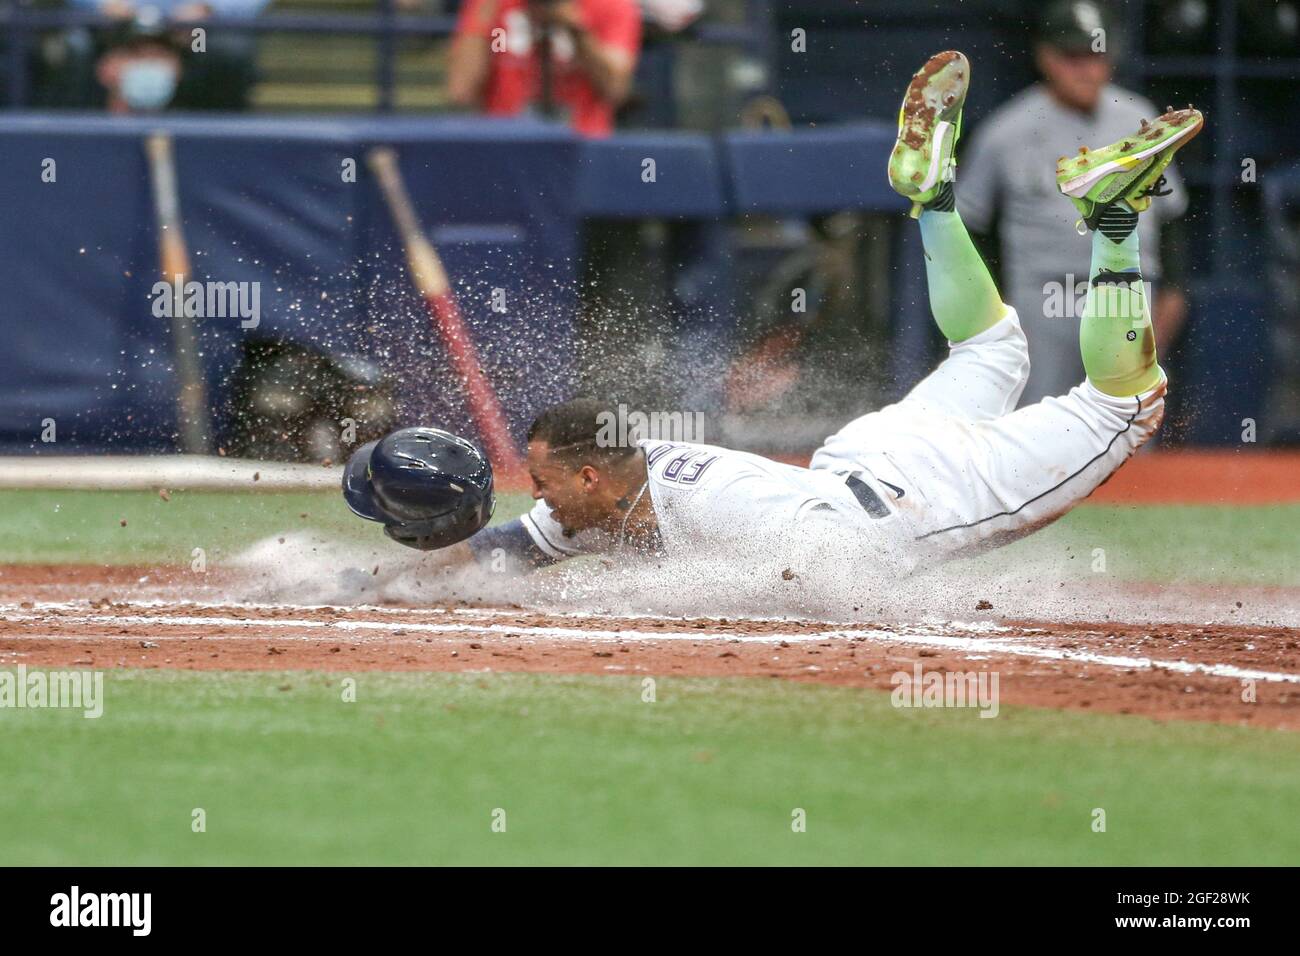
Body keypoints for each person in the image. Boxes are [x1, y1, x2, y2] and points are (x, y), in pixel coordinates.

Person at [346, 51, 1202, 584]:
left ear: (591, 479)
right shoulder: (605, 487)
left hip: (912, 505)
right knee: (993, 342)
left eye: (544, 484)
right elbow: (511, 550)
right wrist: (360, 582)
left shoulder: (723, 506)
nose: (537, 499)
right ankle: (932, 198)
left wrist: (654, 597)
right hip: (872, 463)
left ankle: (1116, 223)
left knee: (1122, 403)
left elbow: (840, 572)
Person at [958, 0, 1191, 405]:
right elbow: (970, 227)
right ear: (1045, 56)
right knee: (1040, 425)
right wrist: (995, 312)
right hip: (1043, 297)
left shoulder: (1140, 119)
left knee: (1129, 426)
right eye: (1072, 56)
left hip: (1128, 295)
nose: (1087, 69)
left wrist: (1173, 294)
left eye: (1096, 55)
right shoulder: (1006, 130)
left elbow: (1170, 218)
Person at [447, 0, 642, 137]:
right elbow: (461, 91)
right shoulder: (491, 5)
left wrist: (575, 28)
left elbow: (616, 89)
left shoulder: (611, 4)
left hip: (581, 149)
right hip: (504, 148)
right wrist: (484, 18)